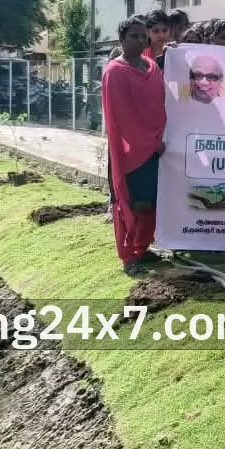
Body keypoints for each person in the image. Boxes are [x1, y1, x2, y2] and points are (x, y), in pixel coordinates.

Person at [101, 17, 166, 275]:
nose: (140, 40)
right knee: (132, 203)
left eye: (143, 36)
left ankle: (143, 248)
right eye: (133, 36)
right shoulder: (115, 71)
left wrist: (158, 139)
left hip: (154, 148)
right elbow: (122, 116)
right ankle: (129, 257)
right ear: (121, 40)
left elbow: (159, 106)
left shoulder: (152, 68)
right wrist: (148, 142)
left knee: (150, 203)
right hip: (130, 151)